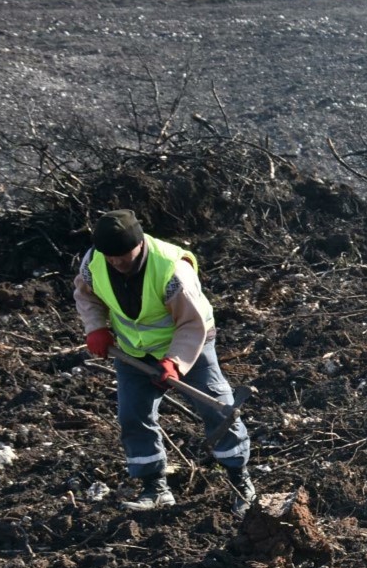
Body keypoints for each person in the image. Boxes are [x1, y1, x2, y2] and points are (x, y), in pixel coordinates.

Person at [75, 210, 256, 514]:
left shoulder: (172, 270)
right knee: (133, 415)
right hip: (133, 351)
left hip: (190, 345)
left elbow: (192, 324)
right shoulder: (95, 263)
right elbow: (87, 295)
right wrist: (96, 327)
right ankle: (154, 488)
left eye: (124, 255)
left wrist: (176, 362)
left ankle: (241, 482)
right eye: (111, 257)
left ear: (140, 244)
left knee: (217, 407)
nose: (117, 262)